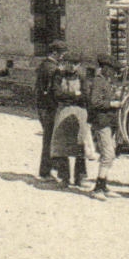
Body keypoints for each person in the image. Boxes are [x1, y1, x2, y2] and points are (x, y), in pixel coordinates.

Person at [48, 57, 94, 188]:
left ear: (79, 65)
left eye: (76, 64)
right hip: (63, 111)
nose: (73, 66)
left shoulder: (82, 77)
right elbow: (57, 94)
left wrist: (68, 95)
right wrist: (75, 94)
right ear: (66, 63)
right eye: (70, 63)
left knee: (80, 144)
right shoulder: (58, 76)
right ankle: (64, 177)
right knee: (62, 145)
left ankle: (81, 177)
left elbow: (85, 95)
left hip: (80, 112)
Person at [86, 53, 123, 200]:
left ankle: (103, 186)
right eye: (113, 70)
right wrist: (112, 103)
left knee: (107, 154)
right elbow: (94, 102)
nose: (114, 73)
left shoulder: (105, 81)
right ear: (106, 68)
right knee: (108, 155)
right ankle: (97, 189)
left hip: (108, 121)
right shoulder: (98, 81)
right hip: (102, 122)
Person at [34, 41, 68, 180]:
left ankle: (51, 169)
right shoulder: (51, 68)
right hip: (49, 108)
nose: (63, 57)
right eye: (62, 54)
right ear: (55, 53)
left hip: (44, 106)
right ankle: (45, 172)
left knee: (51, 138)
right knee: (50, 139)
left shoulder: (45, 65)